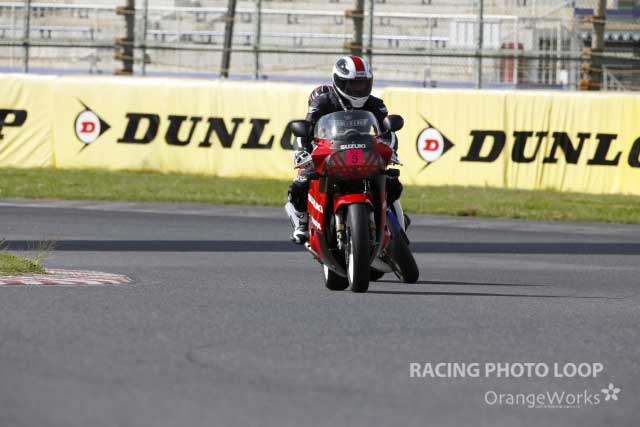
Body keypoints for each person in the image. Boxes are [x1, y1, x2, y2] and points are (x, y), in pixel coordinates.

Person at [285, 55, 404, 244]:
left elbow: (389, 131)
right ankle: (302, 223)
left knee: (392, 180)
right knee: (300, 183)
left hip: (365, 154)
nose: (358, 89)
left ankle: (396, 225)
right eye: (353, 85)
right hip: (330, 154)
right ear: (339, 82)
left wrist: (391, 151)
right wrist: (302, 153)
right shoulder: (323, 102)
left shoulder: (376, 104)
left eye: (362, 84)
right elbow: (305, 130)